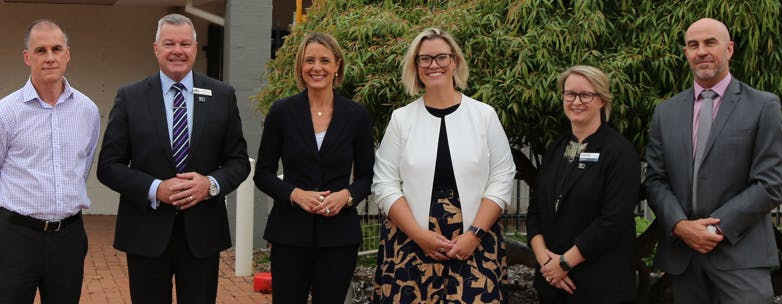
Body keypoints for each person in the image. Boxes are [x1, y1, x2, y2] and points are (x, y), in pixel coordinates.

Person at [97, 13, 250, 303]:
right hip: (145, 233)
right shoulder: (130, 97)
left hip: (203, 235)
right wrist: (156, 188)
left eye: (185, 43)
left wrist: (210, 184)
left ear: (195, 47)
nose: (177, 50)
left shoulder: (222, 95)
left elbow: (238, 161)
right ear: (156, 48)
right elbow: (108, 166)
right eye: (169, 43)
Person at [645, 18, 782, 304]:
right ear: (686, 52)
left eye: (710, 42)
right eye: (693, 45)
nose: (701, 51)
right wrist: (680, 226)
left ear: (730, 49)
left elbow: (770, 183)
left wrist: (712, 229)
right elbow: (655, 179)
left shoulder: (763, 106)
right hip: (684, 256)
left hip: (741, 254)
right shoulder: (666, 112)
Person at [372, 27, 516, 303]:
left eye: (441, 57)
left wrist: (473, 235)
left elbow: (502, 177)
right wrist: (418, 234)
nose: (433, 65)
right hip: (411, 238)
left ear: (455, 62)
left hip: (474, 237)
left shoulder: (484, 116)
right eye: (424, 59)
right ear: (416, 66)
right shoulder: (401, 119)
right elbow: (384, 182)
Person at [253, 32, 374, 303]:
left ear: (337, 65)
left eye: (324, 60)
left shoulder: (356, 115)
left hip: (339, 235)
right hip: (289, 233)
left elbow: (367, 176)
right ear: (300, 66)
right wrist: (295, 194)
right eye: (309, 60)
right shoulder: (282, 112)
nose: (316, 67)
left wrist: (346, 196)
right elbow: (262, 173)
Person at [0, 19, 100, 303]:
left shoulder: (87, 111)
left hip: (68, 238)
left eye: (57, 49)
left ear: (67, 54)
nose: (50, 57)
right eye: (40, 50)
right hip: (15, 238)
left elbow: (83, 168)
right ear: (27, 57)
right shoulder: (6, 113)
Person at [525, 65, 639, 303]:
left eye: (586, 95)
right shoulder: (555, 148)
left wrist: (565, 263)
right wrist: (547, 264)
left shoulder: (619, 152)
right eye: (570, 94)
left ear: (602, 100)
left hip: (599, 284)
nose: (576, 101)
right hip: (552, 283)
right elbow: (535, 212)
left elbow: (613, 221)